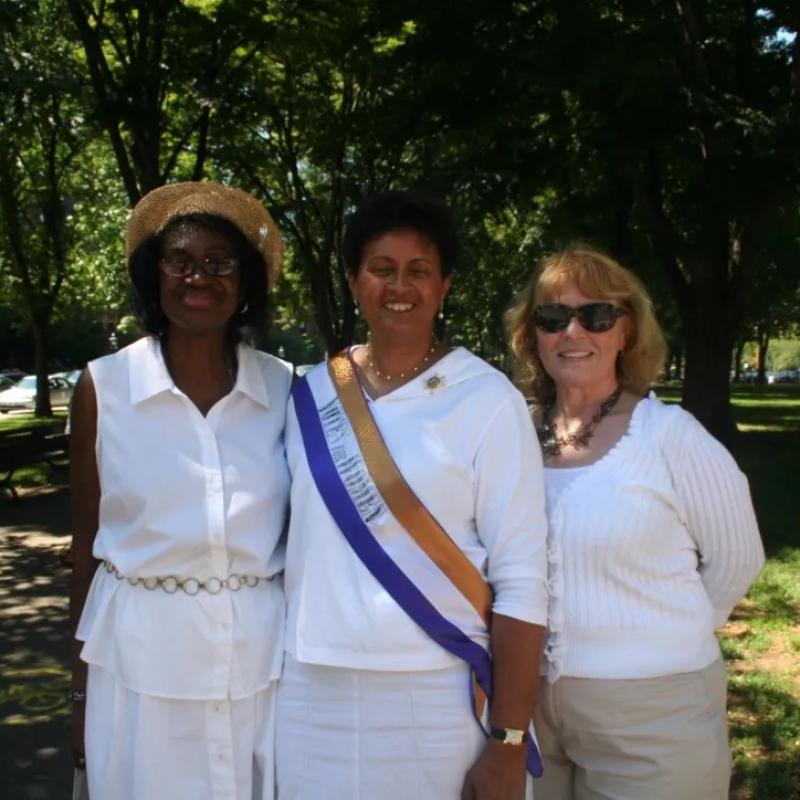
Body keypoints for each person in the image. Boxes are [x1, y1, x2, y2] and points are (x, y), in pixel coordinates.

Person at [277, 190, 549, 800]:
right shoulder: (310, 395)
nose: (400, 286)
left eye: (418, 270)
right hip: (310, 691)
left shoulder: (487, 399)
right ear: (353, 280)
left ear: (444, 285)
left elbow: (524, 579)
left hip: (438, 694)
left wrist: (508, 741)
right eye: (381, 268)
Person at [505, 245, 765, 800]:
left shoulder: (669, 436)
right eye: (553, 318)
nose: (574, 332)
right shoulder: (510, 435)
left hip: (653, 714)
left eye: (596, 315)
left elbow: (738, 559)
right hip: (526, 712)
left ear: (626, 332)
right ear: (533, 335)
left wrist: (670, 633)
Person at [69, 182, 291, 800]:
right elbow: (85, 546)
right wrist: (77, 691)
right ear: (154, 277)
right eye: (180, 260)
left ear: (245, 284)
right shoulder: (104, 387)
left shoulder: (282, 389)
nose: (199, 276)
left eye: (219, 262)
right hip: (140, 670)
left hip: (260, 669)